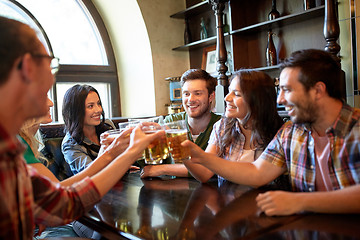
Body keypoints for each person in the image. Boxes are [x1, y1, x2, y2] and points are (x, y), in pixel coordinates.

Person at [0, 16, 163, 240]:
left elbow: (58, 203)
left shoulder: (9, 145)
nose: (51, 101)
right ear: (28, 67)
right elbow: (65, 205)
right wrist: (130, 151)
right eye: (51, 63)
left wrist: (117, 152)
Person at [182, 49, 360, 216]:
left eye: (287, 90)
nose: (280, 99)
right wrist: (201, 157)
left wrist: (300, 202)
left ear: (318, 90)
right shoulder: (290, 132)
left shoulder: (356, 129)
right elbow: (257, 172)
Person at [183, 69, 285, 184]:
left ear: (257, 101)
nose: (227, 98)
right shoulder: (222, 126)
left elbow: (258, 176)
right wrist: (183, 151)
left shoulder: (280, 133)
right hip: (228, 200)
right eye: (229, 91)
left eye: (236, 94)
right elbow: (204, 173)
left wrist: (202, 156)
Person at [140, 69, 221, 178]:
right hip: (171, 192)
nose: (191, 99)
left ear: (211, 96)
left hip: (212, 192)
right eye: (186, 94)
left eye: (197, 93)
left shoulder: (222, 125)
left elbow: (208, 170)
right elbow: (149, 159)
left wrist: (162, 169)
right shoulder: (170, 122)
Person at [61, 84, 115, 175]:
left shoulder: (107, 125)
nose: (98, 110)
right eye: (90, 106)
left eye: (98, 104)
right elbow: (91, 173)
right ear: (76, 111)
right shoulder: (70, 144)